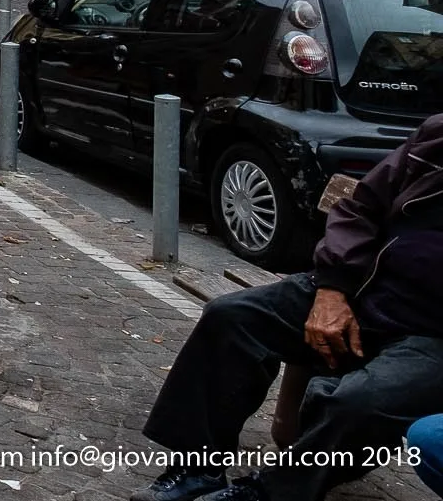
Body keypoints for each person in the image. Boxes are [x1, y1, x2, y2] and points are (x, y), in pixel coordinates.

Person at [129, 112, 443, 501]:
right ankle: (197, 469)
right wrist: (333, 288)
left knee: (359, 403)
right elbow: (360, 207)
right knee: (231, 319)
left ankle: (265, 493)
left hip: (429, 335)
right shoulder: (436, 136)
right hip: (363, 288)